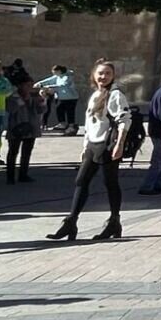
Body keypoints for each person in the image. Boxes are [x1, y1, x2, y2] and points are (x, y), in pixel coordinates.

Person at [46, 59, 130, 243]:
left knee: (110, 182)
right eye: (100, 73)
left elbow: (124, 120)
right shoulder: (95, 95)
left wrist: (119, 144)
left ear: (113, 76)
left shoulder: (115, 95)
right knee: (81, 181)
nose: (103, 77)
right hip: (93, 144)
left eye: (108, 73)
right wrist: (85, 146)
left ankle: (114, 221)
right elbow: (90, 123)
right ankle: (71, 222)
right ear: (94, 75)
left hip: (107, 145)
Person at [3, 77, 42, 184]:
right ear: (20, 86)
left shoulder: (34, 97)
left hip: (31, 127)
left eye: (31, 85)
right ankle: (10, 176)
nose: (29, 88)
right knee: (13, 152)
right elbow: (10, 109)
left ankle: (23, 174)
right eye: (27, 85)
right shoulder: (12, 97)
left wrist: (41, 101)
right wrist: (22, 101)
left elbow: (41, 110)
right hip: (17, 127)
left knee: (27, 152)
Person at [37, 65, 78, 133]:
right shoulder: (57, 76)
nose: (54, 74)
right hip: (61, 97)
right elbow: (49, 80)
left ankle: (71, 125)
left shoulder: (68, 77)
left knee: (70, 112)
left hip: (70, 97)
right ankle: (62, 123)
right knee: (59, 110)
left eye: (55, 72)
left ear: (59, 71)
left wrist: (48, 86)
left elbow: (63, 85)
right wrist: (39, 83)